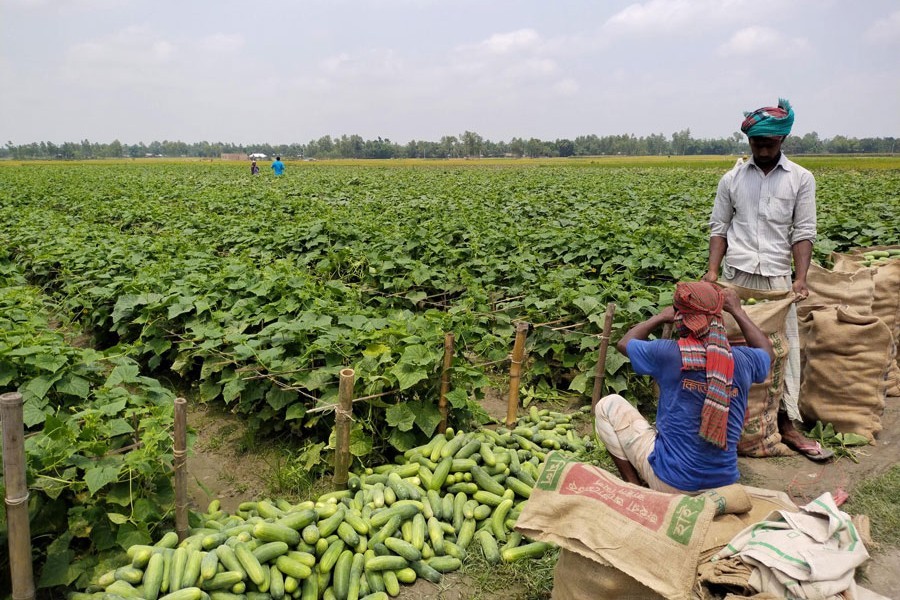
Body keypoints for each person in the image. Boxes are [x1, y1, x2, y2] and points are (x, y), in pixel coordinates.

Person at [702, 98, 831, 461]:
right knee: (731, 349)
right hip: (736, 277)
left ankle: (786, 424)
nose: (761, 149)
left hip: (777, 281)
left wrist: (800, 279)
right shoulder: (731, 179)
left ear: (783, 139)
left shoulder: (801, 179)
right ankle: (729, 419)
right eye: (755, 143)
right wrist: (712, 273)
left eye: (768, 144)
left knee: (783, 353)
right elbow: (719, 228)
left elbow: (803, 232)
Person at [594, 282, 773, 493]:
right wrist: (738, 311)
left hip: (672, 483)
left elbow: (625, 343)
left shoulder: (669, 353)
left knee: (607, 405)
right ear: (719, 314)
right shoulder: (743, 360)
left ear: (680, 316)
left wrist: (659, 317)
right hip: (724, 485)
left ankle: (636, 488)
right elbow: (767, 352)